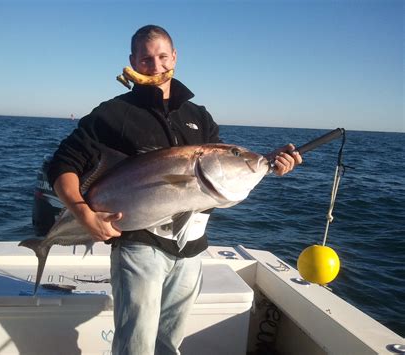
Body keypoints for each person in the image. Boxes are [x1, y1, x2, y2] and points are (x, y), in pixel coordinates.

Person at [47, 25, 302, 355]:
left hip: (191, 247)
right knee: (136, 343)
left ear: (175, 57)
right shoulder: (113, 113)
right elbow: (62, 164)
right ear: (132, 62)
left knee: (170, 342)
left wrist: (269, 165)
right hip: (138, 245)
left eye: (163, 57)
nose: (156, 67)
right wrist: (82, 213)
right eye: (146, 59)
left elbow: (223, 176)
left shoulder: (199, 116)